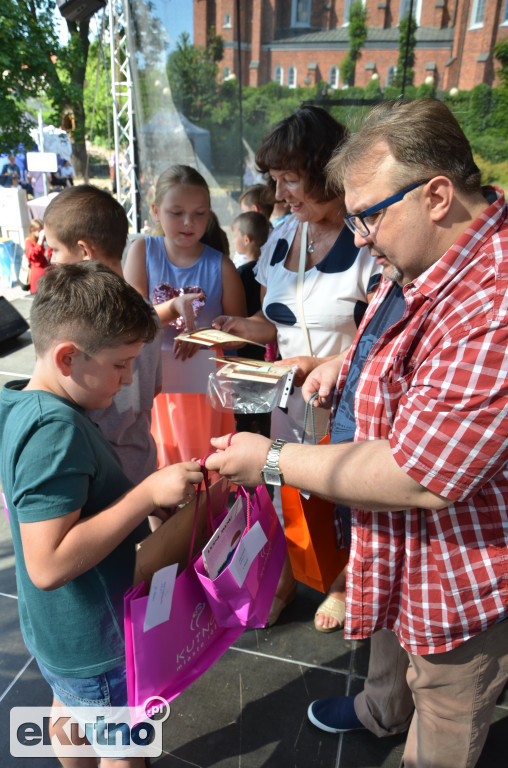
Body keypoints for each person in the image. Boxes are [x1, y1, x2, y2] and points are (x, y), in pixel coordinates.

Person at [205, 98, 508, 768]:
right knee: (391, 642)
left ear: (436, 195)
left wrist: (276, 460)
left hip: (458, 569)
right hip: (400, 540)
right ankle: (380, 710)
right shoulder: (438, 253)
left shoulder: (494, 301)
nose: (361, 236)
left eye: (369, 213)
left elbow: (420, 476)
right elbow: (401, 339)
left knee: (446, 696)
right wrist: (340, 363)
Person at [0, 261, 203, 767]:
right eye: (120, 365)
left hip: (60, 637)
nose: (129, 377)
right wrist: (144, 494)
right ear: (68, 357)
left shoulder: (21, 402)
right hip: (97, 638)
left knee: (70, 709)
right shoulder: (56, 431)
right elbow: (48, 564)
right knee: (123, 749)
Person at [213, 105, 380, 628]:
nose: (280, 194)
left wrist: (327, 363)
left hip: (352, 402)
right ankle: (291, 576)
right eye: (275, 181)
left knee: (350, 501)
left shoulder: (370, 239)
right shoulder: (283, 235)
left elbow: (386, 339)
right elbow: (274, 321)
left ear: (330, 170)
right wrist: (239, 328)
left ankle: (343, 579)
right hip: (289, 399)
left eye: (290, 179)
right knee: (288, 493)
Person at [124, 164, 246, 466]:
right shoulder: (142, 251)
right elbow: (127, 323)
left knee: (205, 474)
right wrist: (172, 308)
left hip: (205, 394)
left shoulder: (223, 266)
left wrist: (206, 338)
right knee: (156, 475)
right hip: (152, 389)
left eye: (199, 213)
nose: (188, 222)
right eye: (176, 213)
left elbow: (240, 336)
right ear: (155, 211)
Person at [43, 184, 163, 491]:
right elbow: (156, 385)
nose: (52, 261)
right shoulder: (148, 313)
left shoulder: (82, 323)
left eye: (56, 249)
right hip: (142, 462)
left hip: (98, 475)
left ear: (84, 251)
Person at [231, 211, 272, 436]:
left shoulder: (243, 273)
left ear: (246, 239)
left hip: (244, 345)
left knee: (246, 389)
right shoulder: (270, 271)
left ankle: (246, 428)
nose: (233, 239)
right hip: (263, 348)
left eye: (234, 234)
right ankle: (261, 424)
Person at [24, 218, 51, 294]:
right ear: (32, 231)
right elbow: (33, 256)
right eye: (36, 230)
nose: (39, 233)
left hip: (49, 273)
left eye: (40, 230)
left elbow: (51, 255)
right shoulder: (29, 241)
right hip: (38, 275)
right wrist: (39, 242)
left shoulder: (48, 240)